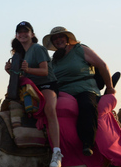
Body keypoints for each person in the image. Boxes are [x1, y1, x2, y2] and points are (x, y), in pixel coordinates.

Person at [43, 26, 115, 156]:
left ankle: (88, 143)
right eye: (55, 38)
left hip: (85, 88)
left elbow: (102, 65)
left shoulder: (80, 50)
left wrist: (110, 88)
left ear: (67, 39)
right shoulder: (53, 61)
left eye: (61, 37)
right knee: (48, 109)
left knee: (86, 104)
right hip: (63, 92)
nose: (58, 40)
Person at [5, 21, 63, 167]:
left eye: (26, 31)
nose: (23, 34)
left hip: (46, 84)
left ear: (32, 34)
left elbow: (44, 71)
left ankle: (57, 152)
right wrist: (11, 70)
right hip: (30, 88)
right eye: (20, 32)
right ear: (17, 35)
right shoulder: (21, 54)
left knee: (49, 109)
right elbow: (20, 76)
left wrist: (28, 69)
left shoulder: (37, 48)